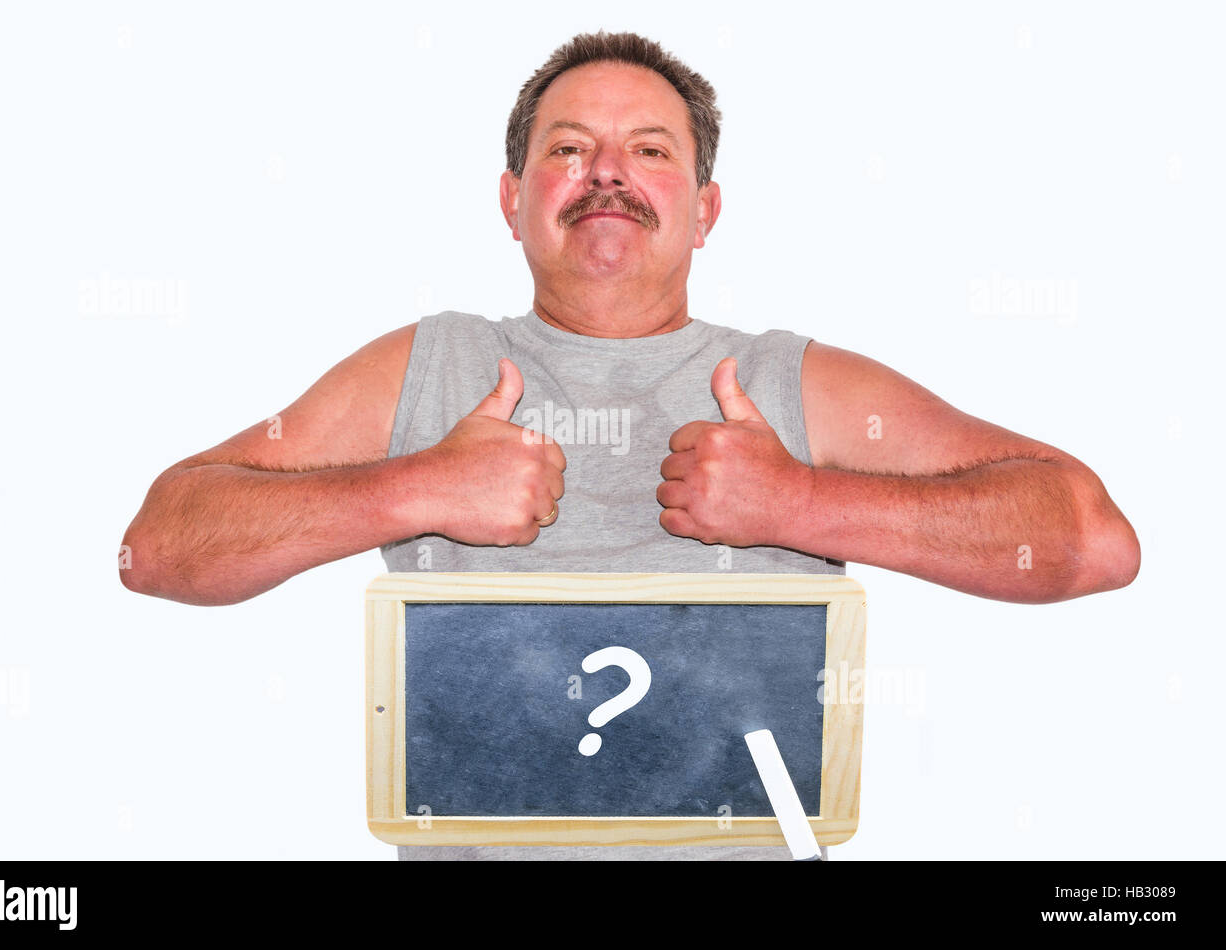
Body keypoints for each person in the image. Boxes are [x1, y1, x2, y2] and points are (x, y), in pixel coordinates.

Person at [119, 31, 1140, 860]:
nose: (606, 173)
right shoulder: (424, 367)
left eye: (650, 149)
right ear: (511, 197)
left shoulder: (796, 385)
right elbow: (162, 543)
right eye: (567, 148)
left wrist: (799, 505)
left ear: (705, 212)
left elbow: (1088, 537)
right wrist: (413, 486)